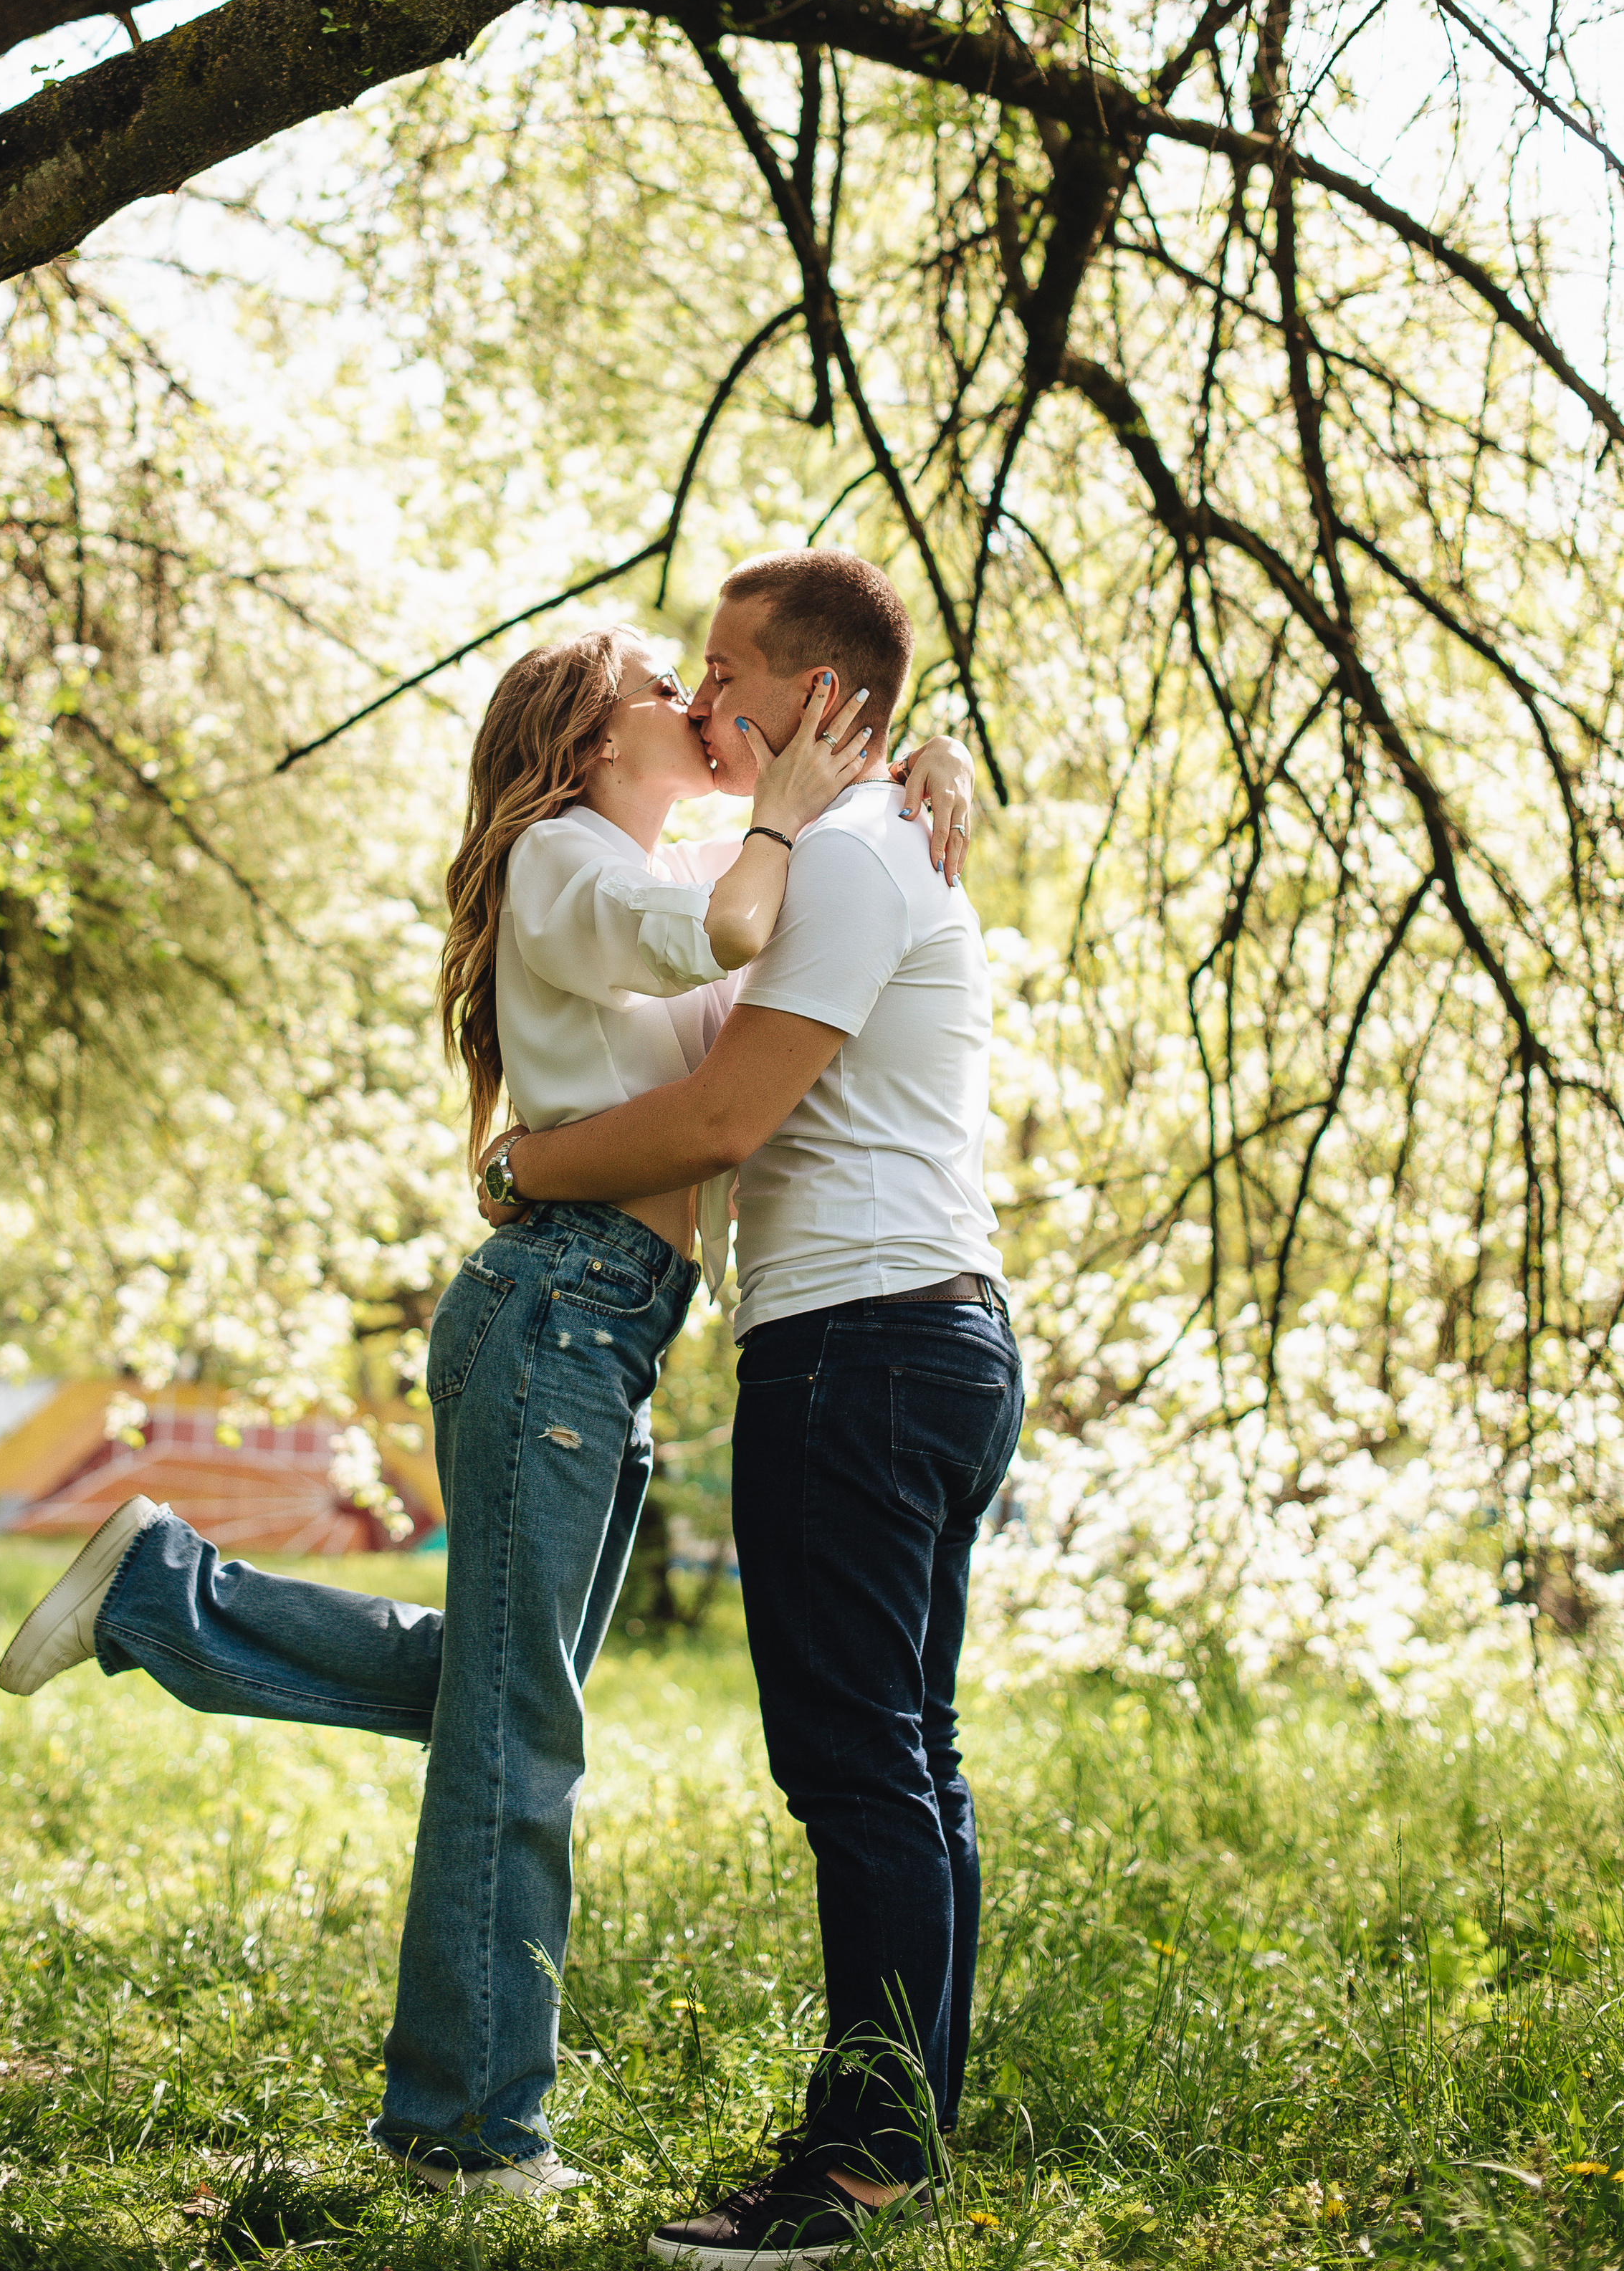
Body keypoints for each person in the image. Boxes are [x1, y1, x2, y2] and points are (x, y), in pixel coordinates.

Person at [0, 619, 974, 2203]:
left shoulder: (627, 873)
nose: (701, 703)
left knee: (501, 1697)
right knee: (518, 1735)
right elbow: (738, 926)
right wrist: (791, 807)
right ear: (591, 742)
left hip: (603, 1332)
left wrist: (915, 769)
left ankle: (168, 1595)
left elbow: (773, 964)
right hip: (558, 1312)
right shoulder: (564, 857)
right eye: (670, 688)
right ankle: (465, 2133)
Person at [475, 551, 1023, 2267]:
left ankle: (848, 2174)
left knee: (855, 1767)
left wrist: (525, 1168)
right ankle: (893, 2137)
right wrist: (916, 765)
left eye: (728, 671)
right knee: (904, 1765)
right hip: (914, 1332)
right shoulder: (841, 852)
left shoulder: (853, 858)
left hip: (859, 1346)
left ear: (813, 694)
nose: (707, 701)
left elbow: (720, 1121)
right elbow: (708, 965)